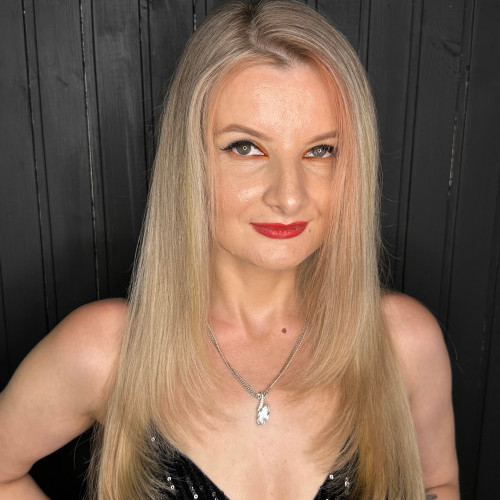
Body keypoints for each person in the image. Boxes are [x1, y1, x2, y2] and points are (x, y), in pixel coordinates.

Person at [0, 1, 459, 499]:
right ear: (191, 160)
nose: (289, 196)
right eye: (246, 148)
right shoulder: (108, 350)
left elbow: (437, 484)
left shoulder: (403, 344)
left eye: (320, 151)